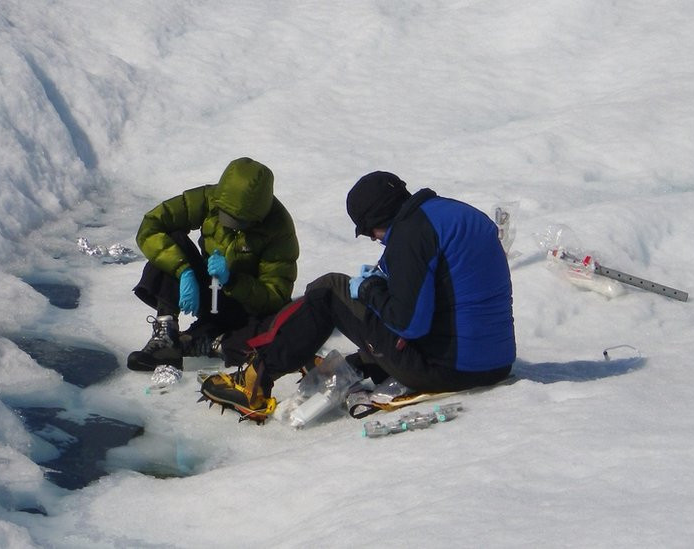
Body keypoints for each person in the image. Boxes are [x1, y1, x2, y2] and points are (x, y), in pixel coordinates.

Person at [200, 171, 515, 420]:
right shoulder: (453, 214)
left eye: (369, 232)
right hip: (494, 361)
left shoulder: (410, 235)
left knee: (329, 289)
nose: (376, 241)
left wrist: (370, 289)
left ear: (378, 221)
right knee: (361, 309)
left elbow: (408, 325)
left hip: (447, 369)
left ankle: (256, 379)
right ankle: (326, 353)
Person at [127, 157, 299, 372]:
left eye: (239, 222)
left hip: (243, 306)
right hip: (208, 292)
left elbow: (275, 295)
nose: (230, 225)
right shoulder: (209, 199)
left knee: (281, 326)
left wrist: (232, 280)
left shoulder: (278, 229)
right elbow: (152, 225)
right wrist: (183, 271)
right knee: (172, 241)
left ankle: (210, 340)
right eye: (224, 216)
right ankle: (167, 337)